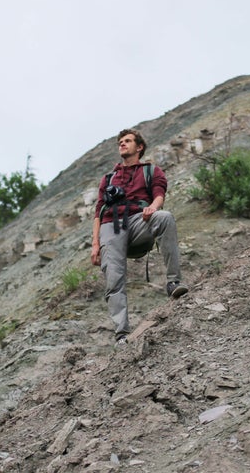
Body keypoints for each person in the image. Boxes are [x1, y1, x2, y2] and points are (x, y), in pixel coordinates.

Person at [91, 128, 188, 346]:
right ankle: (121, 334)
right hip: (111, 225)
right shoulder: (108, 178)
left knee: (165, 217)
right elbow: (98, 212)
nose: (122, 144)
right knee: (114, 276)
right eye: (120, 142)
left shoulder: (151, 171)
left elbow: (159, 195)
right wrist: (95, 244)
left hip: (138, 221)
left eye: (127, 141)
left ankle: (173, 282)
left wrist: (152, 208)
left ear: (139, 146)